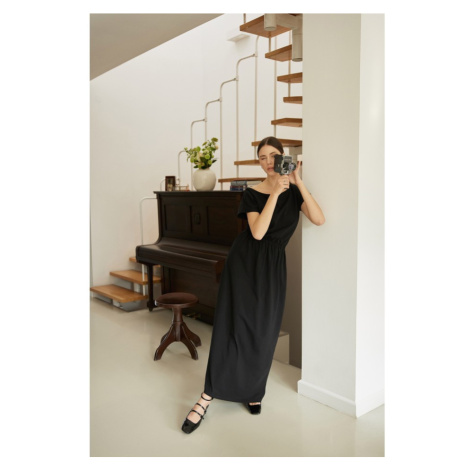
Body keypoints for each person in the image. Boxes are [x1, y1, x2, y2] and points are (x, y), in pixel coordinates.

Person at [182, 136, 325, 434]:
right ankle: (206, 397)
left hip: (272, 269)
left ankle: (252, 390)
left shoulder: (294, 192)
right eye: (262, 157)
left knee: (264, 331)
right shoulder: (251, 193)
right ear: (258, 162)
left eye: (274, 156)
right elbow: (258, 233)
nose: (269, 162)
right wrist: (274, 193)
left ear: (284, 158)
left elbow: (319, 219)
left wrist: (298, 182)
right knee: (231, 328)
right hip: (245, 264)